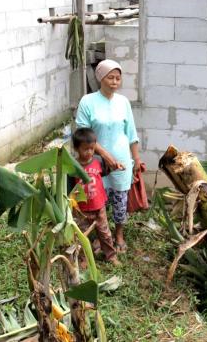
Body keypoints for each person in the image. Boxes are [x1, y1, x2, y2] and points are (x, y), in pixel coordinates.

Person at [75, 59, 142, 254]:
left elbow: (131, 133)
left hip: (121, 160)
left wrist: (136, 159)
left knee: (120, 200)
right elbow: (82, 133)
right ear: (100, 78)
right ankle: (99, 237)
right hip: (93, 161)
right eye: (110, 77)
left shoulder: (123, 102)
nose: (115, 81)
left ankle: (118, 234)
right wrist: (105, 155)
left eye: (118, 78)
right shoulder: (87, 102)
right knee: (96, 201)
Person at [71, 127, 119, 266]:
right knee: (81, 235)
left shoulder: (98, 161)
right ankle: (83, 258)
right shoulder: (73, 166)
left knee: (105, 234)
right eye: (85, 149)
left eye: (92, 148)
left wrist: (116, 166)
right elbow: (69, 187)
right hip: (81, 209)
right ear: (76, 148)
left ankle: (111, 256)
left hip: (99, 206)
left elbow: (105, 172)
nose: (89, 152)